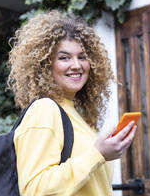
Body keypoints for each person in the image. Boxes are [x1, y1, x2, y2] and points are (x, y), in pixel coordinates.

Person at [7, 10, 137, 195]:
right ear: (44, 64)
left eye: (82, 57)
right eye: (64, 57)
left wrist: (102, 152)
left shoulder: (74, 113)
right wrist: (97, 154)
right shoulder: (44, 110)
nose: (76, 65)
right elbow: (34, 189)